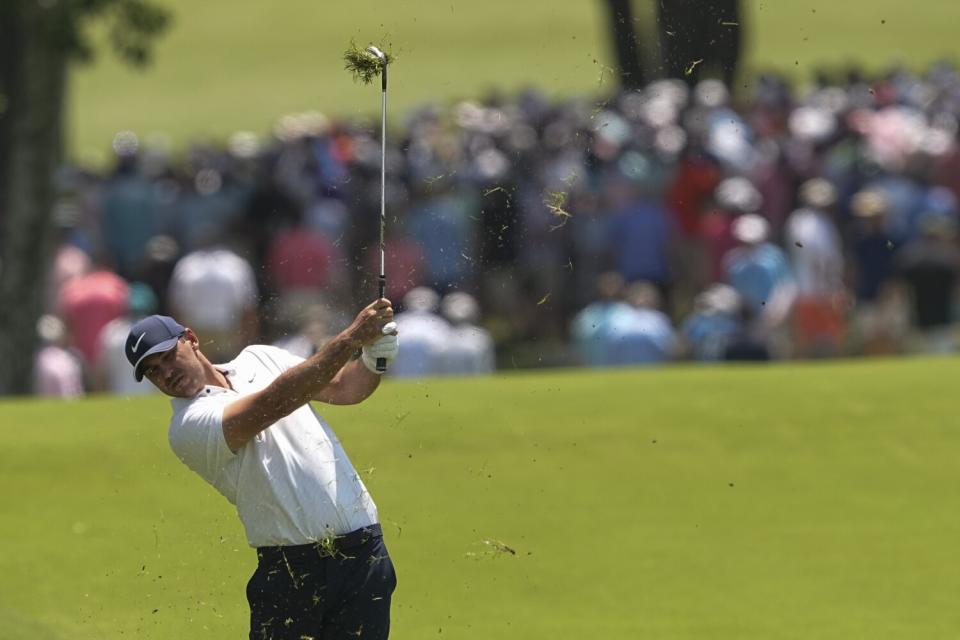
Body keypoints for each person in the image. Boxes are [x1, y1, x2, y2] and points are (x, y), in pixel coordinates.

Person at [125, 298, 400, 639]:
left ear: (191, 339)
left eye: (168, 356)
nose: (166, 372)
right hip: (291, 571)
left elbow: (345, 387)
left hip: (363, 555)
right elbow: (274, 402)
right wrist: (350, 339)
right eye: (152, 370)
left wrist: (375, 358)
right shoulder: (187, 426)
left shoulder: (260, 357)